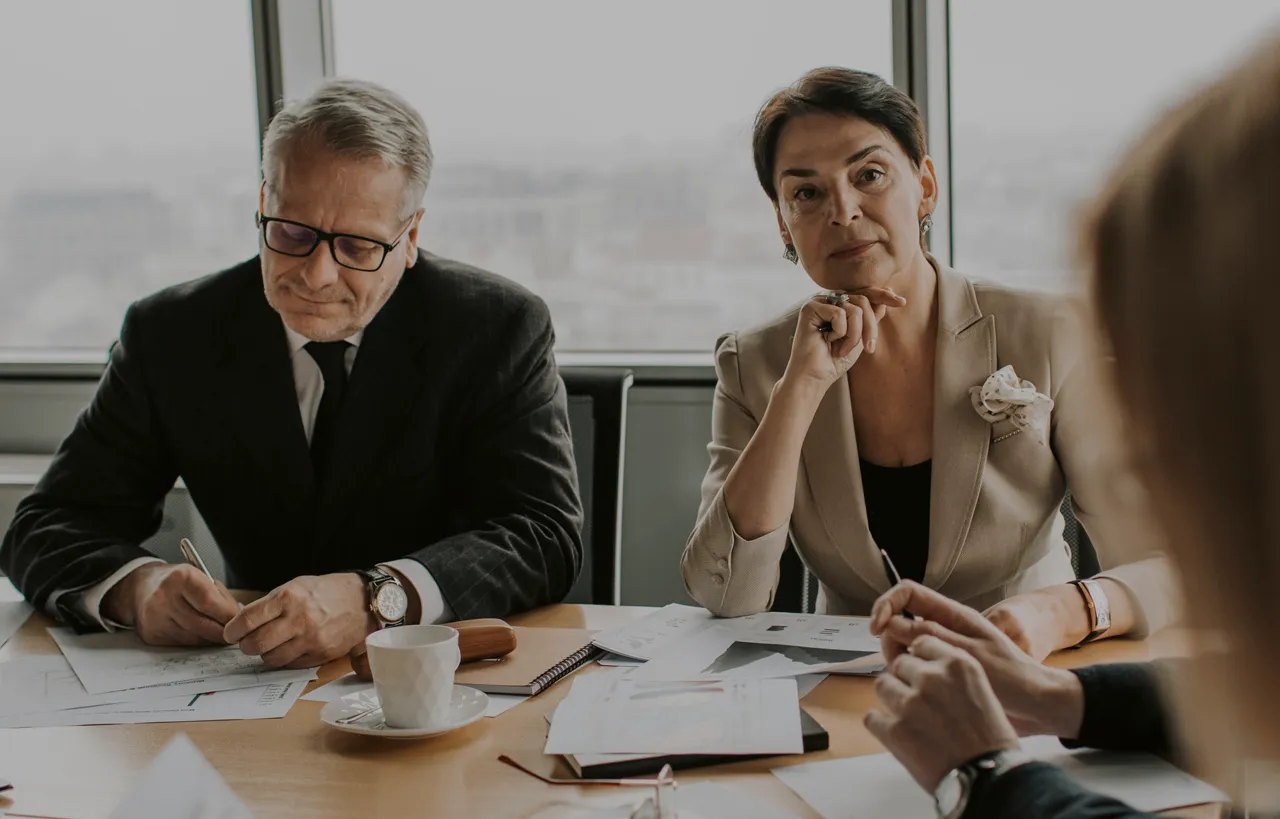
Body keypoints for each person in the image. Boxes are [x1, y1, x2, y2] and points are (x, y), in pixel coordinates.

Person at [0, 79, 583, 672]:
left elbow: (543, 535)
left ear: (409, 237)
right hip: (248, 681)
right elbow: (45, 528)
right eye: (293, 234)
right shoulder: (172, 334)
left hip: (443, 679)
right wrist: (138, 589)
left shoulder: (495, 326)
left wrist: (379, 597)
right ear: (263, 203)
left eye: (357, 247)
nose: (317, 275)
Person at [863, 35, 1280, 818]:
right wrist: (1057, 697)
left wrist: (986, 771)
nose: (1140, 460)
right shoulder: (766, 357)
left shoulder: (1038, 326)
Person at [681, 67, 1175, 659]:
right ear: (782, 221)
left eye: (869, 175)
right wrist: (799, 390)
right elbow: (727, 594)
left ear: (925, 185)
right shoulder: (754, 363)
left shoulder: (1050, 331)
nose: (842, 211)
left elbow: (1168, 567)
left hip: (1031, 672)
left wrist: (1060, 612)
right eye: (806, 193)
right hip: (850, 685)